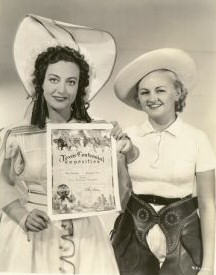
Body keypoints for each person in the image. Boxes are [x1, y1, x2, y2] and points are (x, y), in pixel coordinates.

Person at [0, 14, 121, 274]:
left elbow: (118, 188)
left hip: (85, 234)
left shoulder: (94, 133)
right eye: (54, 79)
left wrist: (119, 152)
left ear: (80, 88)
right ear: (40, 83)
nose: (61, 90)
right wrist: (22, 215)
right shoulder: (17, 133)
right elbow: (2, 182)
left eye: (71, 82)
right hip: (33, 232)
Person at [111, 48, 216, 275]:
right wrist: (113, 153)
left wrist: (208, 265)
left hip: (184, 239)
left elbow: (208, 205)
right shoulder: (125, 136)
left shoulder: (198, 139)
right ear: (137, 98)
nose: (152, 98)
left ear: (178, 93)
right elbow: (115, 196)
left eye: (160, 90)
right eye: (145, 92)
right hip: (131, 236)